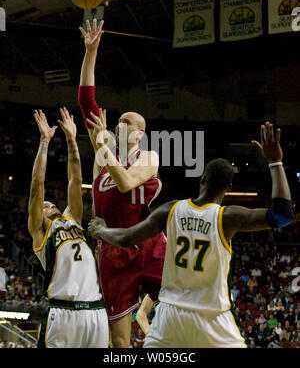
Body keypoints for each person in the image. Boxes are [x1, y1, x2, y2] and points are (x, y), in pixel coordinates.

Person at [88, 121, 293, 348]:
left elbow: (126, 238)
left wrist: (101, 230)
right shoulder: (228, 217)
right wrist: (275, 161)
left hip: (170, 318)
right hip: (213, 319)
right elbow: (282, 215)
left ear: (202, 179)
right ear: (228, 189)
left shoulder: (171, 209)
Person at [77, 19, 166, 348]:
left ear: (140, 133)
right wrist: (91, 52)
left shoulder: (149, 157)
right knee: (119, 340)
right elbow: (87, 102)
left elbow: (127, 182)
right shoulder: (103, 155)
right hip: (113, 247)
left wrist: (102, 145)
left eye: (127, 121)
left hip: (149, 241)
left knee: (177, 308)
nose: (119, 124)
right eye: (118, 121)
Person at [28, 108, 109, 348]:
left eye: (52, 203)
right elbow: (37, 184)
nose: (49, 204)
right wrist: (45, 142)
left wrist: (72, 139)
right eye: (44, 206)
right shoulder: (41, 234)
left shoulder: (72, 218)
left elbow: (75, 177)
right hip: (63, 313)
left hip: (95, 310)